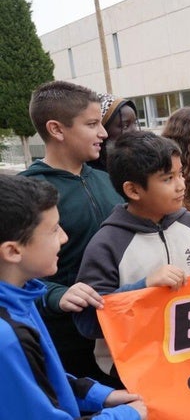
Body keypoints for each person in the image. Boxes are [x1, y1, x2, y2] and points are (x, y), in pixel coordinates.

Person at [73, 132, 190, 380]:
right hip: (132, 373)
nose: (181, 185)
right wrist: (143, 288)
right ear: (133, 190)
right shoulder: (107, 244)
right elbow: (88, 321)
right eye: (167, 178)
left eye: (180, 174)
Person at [0, 175, 146, 420]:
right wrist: (126, 415)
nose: (64, 237)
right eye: (54, 229)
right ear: (13, 251)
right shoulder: (6, 337)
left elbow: (44, 376)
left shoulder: (22, 294)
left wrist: (99, 395)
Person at [20, 81, 123, 386]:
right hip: (65, 344)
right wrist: (55, 294)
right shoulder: (25, 193)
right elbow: (12, 272)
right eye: (92, 124)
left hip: (122, 334)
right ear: (56, 129)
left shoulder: (111, 181)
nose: (103, 133)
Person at [88, 94, 139, 172]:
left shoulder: (139, 160)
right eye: (125, 126)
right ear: (104, 128)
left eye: (135, 123)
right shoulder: (90, 169)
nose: (135, 131)